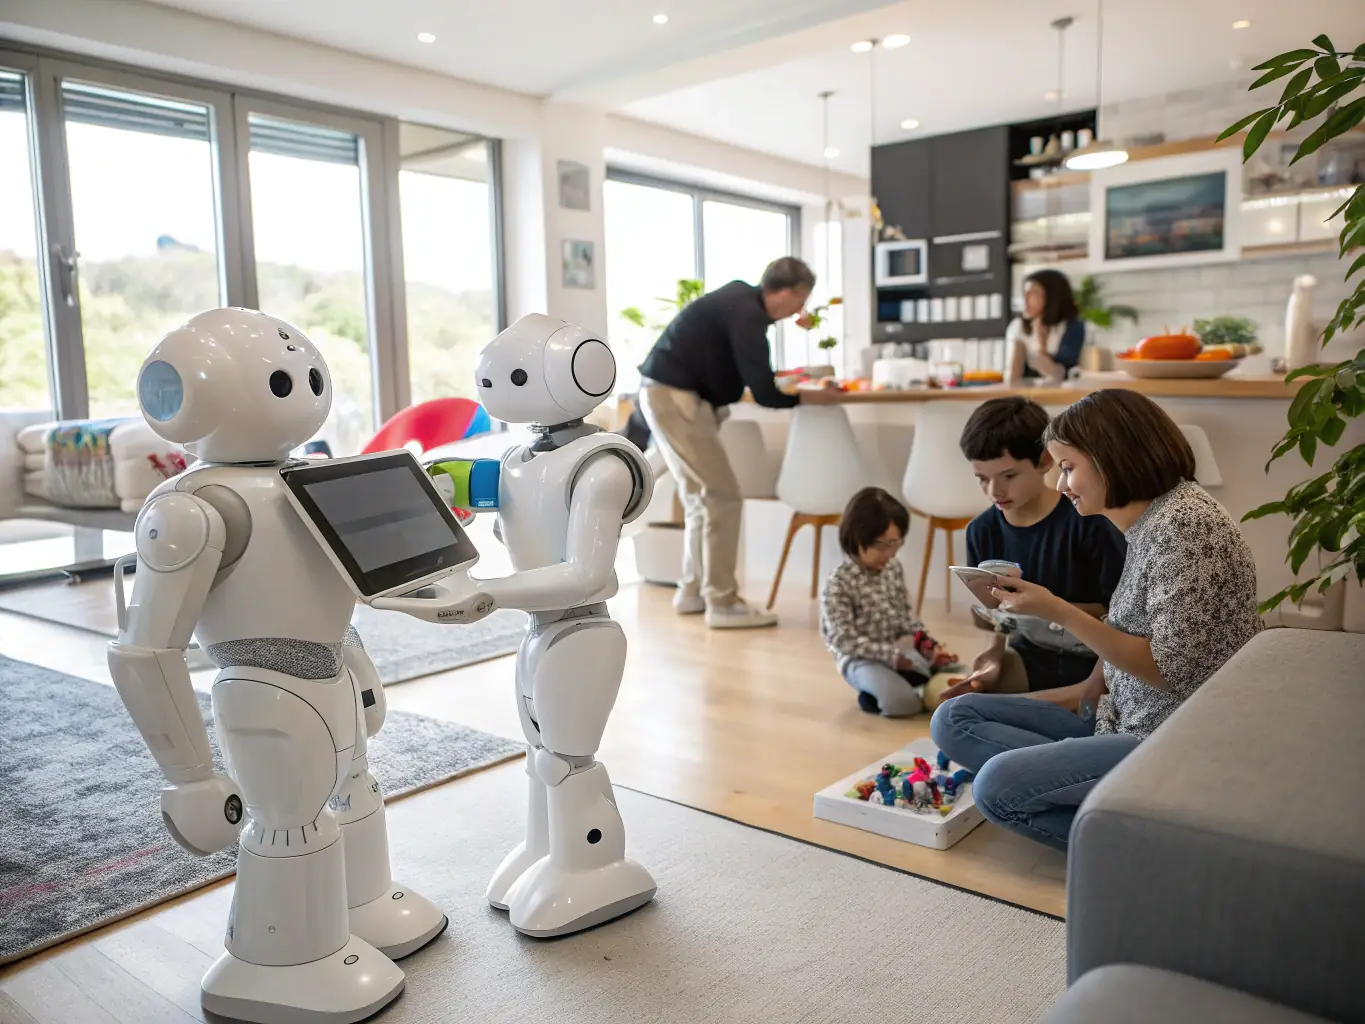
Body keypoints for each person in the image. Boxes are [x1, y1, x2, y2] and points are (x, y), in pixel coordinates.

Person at [930, 390, 1261, 851]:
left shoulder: (1184, 528)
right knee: (953, 718)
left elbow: (1169, 669)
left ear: (1110, 460)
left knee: (995, 788)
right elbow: (1138, 627)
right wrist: (1096, 678)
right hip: (1119, 715)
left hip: (1168, 737)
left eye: (1067, 467)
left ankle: (1166, 847)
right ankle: (1096, 796)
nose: (1061, 485)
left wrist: (1056, 609)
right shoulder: (1151, 521)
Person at [637, 256, 841, 629]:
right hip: (677, 398)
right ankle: (723, 602)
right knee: (722, 497)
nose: (800, 310)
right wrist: (809, 397)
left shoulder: (738, 303)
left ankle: (693, 592)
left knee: (701, 499)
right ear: (783, 292)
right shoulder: (748, 315)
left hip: (666, 394)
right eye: (800, 300)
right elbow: (764, 391)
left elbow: (750, 372)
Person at [944, 396, 1127, 699]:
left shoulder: (1088, 522)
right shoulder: (981, 531)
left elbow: (1120, 616)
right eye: (982, 479)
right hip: (1029, 656)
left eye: (1009, 476)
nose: (994, 491)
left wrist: (1045, 609)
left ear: (1044, 461)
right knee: (960, 710)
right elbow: (998, 622)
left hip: (1097, 662)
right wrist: (992, 659)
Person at [821, 487, 957, 717]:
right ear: (856, 537)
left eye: (895, 544)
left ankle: (908, 682)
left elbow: (907, 621)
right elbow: (843, 640)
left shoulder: (893, 569)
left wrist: (928, 647)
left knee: (960, 674)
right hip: (861, 661)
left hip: (901, 654)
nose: (890, 553)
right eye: (881, 545)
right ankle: (884, 690)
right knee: (903, 704)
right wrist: (891, 657)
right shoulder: (839, 582)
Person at [1004, 269, 1088, 385]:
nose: (1025, 298)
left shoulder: (1072, 327)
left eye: (1033, 293)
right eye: (1024, 292)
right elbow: (1012, 379)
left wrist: (1041, 348)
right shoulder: (1018, 327)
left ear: (1052, 296)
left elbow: (1061, 377)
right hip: (1028, 397)